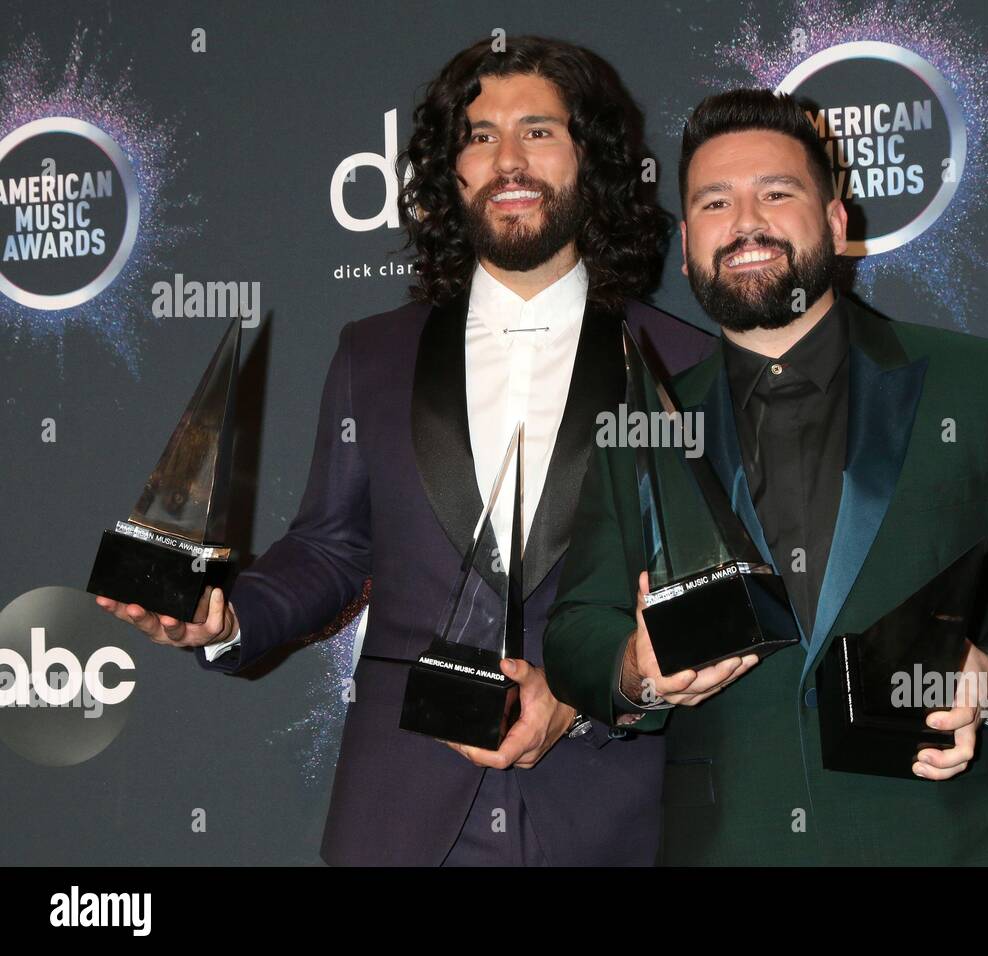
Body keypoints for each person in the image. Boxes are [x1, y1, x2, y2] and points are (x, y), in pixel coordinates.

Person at [94, 36, 711, 866]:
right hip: (404, 814)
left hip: (613, 813)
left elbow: (703, 593)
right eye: (479, 135)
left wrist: (583, 698)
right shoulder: (374, 355)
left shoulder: (685, 364)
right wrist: (228, 616)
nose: (507, 160)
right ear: (449, 171)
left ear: (590, 159)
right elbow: (330, 546)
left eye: (537, 131)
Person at [543, 89, 988, 864]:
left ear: (836, 223)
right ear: (686, 246)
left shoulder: (977, 381)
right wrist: (634, 670)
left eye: (776, 193)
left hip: (956, 836)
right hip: (733, 842)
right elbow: (579, 623)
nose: (746, 221)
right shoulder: (642, 423)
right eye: (716, 202)